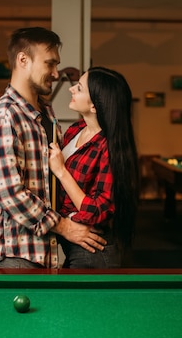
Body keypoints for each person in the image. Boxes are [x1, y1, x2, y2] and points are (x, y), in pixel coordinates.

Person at [0, 27, 106, 269]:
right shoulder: (4, 116)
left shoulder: (46, 111)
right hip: (17, 253)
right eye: (50, 64)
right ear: (23, 60)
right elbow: (11, 194)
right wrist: (65, 227)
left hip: (47, 249)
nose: (56, 73)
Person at [49, 67, 139, 268]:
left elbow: (97, 211)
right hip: (72, 241)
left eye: (79, 88)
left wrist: (61, 171)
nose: (72, 89)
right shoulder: (75, 130)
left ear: (95, 107)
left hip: (95, 251)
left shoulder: (109, 147)